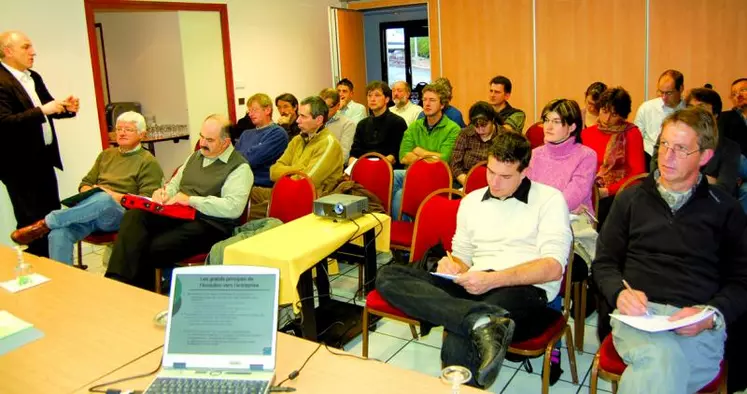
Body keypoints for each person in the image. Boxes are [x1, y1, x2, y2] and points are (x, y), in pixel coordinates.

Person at [377, 131, 572, 389]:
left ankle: (472, 322)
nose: (495, 182)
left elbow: (552, 267)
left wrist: (492, 280)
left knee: (460, 335)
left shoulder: (549, 199)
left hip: (522, 289)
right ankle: (480, 322)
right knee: (388, 275)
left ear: (525, 171)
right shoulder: (471, 201)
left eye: (505, 176)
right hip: (474, 282)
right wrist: (453, 265)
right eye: (491, 172)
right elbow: (462, 256)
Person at [592, 107, 747, 394]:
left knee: (661, 367)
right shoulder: (632, 198)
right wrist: (619, 293)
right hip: (639, 319)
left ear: (705, 157)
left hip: (698, 324)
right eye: (664, 144)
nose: (667, 155)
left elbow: (742, 281)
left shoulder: (725, 209)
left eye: (680, 148)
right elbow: (603, 263)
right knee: (663, 360)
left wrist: (710, 315)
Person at [105, 114, 252, 290]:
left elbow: (233, 208)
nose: (202, 143)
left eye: (209, 140)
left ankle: (138, 291)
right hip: (180, 214)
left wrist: (191, 200)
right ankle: (116, 282)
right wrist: (163, 193)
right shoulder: (195, 157)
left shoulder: (240, 168)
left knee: (153, 246)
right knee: (134, 216)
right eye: (201, 136)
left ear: (226, 142)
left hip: (212, 224)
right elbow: (174, 184)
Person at [9, 111, 163, 265]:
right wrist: (90, 191)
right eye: (118, 129)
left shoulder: (148, 162)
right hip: (91, 211)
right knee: (59, 233)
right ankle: (63, 281)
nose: (122, 133)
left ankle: (45, 224)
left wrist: (110, 195)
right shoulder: (106, 155)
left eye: (128, 129)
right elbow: (85, 183)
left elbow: (145, 202)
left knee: (103, 199)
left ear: (142, 135)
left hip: (121, 215)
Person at [0, 30, 80, 258]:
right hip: (19, 165)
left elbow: (48, 108)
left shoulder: (32, 77)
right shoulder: (1, 80)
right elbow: (4, 122)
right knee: (30, 222)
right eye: (26, 47)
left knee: (51, 216)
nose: (33, 52)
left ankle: (56, 264)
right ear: (8, 51)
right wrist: (42, 110)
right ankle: (39, 267)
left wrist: (66, 109)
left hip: (44, 159)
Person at [249, 96, 343, 219]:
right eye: (299, 115)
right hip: (285, 191)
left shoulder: (329, 144)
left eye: (303, 116)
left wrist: (289, 172)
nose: (298, 120)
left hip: (308, 200)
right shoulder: (298, 140)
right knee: (245, 193)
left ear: (319, 120)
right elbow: (273, 172)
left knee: (248, 214)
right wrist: (299, 168)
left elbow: (305, 182)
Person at [392, 83, 461, 218]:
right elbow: (403, 156)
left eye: (432, 100)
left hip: (439, 177)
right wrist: (429, 157)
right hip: (416, 173)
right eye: (424, 100)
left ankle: (408, 228)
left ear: (442, 105)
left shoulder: (453, 129)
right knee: (393, 175)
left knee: (401, 194)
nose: (427, 104)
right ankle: (393, 223)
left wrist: (419, 152)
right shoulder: (415, 126)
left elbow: (444, 160)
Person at [581, 87, 645, 227]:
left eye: (614, 114)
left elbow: (638, 175)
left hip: (619, 193)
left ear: (622, 115)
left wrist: (608, 191)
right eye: (604, 111)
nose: (607, 119)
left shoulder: (631, 133)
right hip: (591, 189)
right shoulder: (587, 134)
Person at [527, 99, 597, 216]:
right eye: (546, 120)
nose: (548, 127)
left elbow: (572, 198)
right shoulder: (535, 154)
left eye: (556, 122)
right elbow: (526, 193)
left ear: (572, 127)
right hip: (537, 217)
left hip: (573, 224)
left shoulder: (586, 156)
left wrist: (544, 209)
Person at [685, 88, 740, 196]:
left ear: (715, 115)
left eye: (701, 108)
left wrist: (688, 178)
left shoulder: (730, 148)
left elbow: (724, 189)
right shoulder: (671, 139)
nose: (694, 114)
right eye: (690, 108)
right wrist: (708, 180)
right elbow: (658, 176)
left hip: (711, 205)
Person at [634, 69, 686, 169]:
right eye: (661, 92)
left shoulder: (689, 111)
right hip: (648, 159)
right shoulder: (647, 108)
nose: (663, 97)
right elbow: (637, 138)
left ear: (681, 88)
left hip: (679, 161)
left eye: (669, 93)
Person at [347, 81, 407, 168]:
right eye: (369, 95)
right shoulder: (362, 124)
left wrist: (373, 168)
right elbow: (354, 153)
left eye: (377, 95)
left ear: (387, 99)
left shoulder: (397, 122)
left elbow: (394, 155)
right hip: (363, 167)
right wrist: (351, 170)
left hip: (387, 169)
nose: (372, 99)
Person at [235, 93, 288, 188]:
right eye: (249, 111)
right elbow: (233, 159)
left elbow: (251, 159)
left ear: (267, 110)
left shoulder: (277, 133)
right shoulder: (245, 134)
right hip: (240, 183)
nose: (250, 114)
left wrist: (242, 155)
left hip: (261, 187)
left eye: (254, 110)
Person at [449, 101, 503, 187]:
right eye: (476, 126)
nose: (480, 130)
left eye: (484, 125)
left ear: (492, 120)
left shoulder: (504, 137)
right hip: (465, 182)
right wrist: (468, 183)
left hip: (495, 183)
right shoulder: (465, 134)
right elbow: (455, 164)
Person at [319, 88, 355, 162]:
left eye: (328, 107)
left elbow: (343, 156)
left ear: (338, 106)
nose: (323, 110)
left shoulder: (348, 124)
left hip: (333, 168)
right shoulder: (315, 121)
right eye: (321, 107)